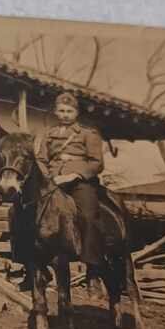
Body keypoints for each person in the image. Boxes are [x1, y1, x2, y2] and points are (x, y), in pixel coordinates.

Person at [34, 92, 105, 295]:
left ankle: (93, 271)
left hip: (79, 182)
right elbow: (41, 158)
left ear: (76, 112)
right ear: (56, 111)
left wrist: (75, 175)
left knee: (89, 217)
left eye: (69, 111)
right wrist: (48, 177)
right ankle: (32, 266)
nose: (65, 114)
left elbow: (96, 163)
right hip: (53, 181)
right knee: (29, 213)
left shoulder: (87, 133)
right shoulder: (49, 133)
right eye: (61, 111)